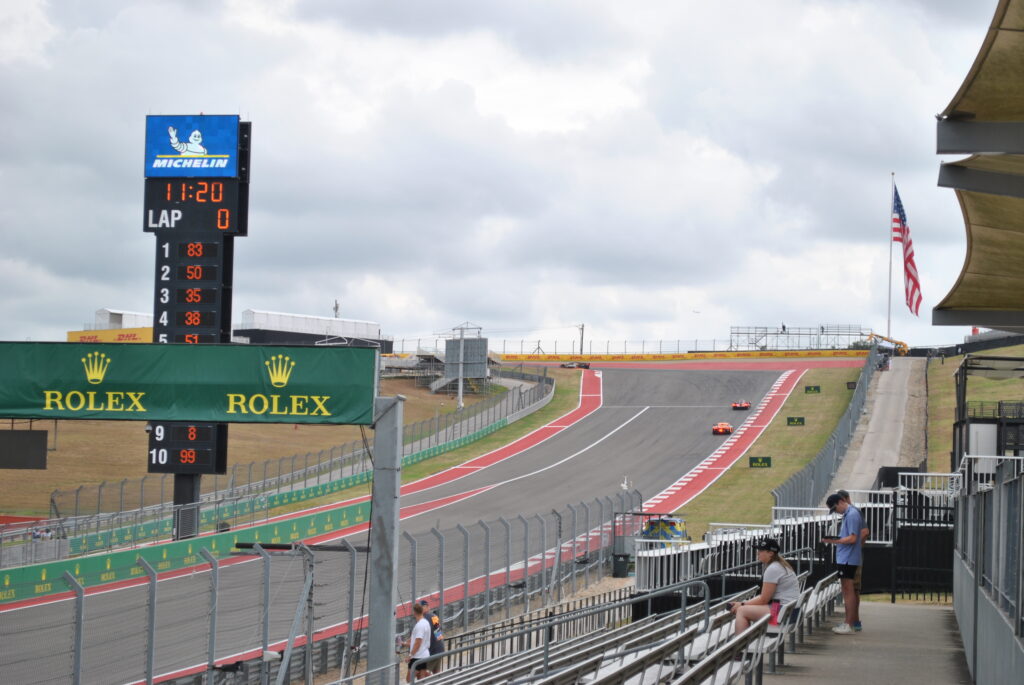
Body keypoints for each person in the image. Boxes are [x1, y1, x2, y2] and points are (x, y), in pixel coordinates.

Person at [729, 538, 800, 634]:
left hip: (783, 614)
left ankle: (740, 646)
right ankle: (744, 643)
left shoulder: (773, 569)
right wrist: (745, 603)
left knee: (741, 611)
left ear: (770, 553)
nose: (758, 553)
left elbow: (764, 599)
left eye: (761, 550)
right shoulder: (780, 565)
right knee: (744, 607)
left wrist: (742, 604)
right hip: (790, 611)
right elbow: (766, 597)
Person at [823, 493, 864, 634]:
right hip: (847, 557)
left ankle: (849, 623)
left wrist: (836, 541)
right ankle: (850, 621)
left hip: (848, 558)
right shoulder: (850, 513)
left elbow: (853, 538)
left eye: (835, 508)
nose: (836, 512)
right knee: (848, 590)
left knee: (848, 590)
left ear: (841, 502)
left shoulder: (852, 514)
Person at [837, 488, 870, 632]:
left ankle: (852, 621)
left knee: (852, 589)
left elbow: (864, 532)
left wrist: (856, 548)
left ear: (843, 500)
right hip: (852, 555)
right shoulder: (850, 513)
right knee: (852, 589)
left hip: (852, 557)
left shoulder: (853, 513)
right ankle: (854, 621)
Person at [403, 602, 431, 682]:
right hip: (425, 655)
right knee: (421, 678)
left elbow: (418, 642)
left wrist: (410, 655)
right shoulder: (426, 622)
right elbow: (414, 640)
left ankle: (434, 676)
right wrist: (404, 643)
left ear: (414, 612)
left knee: (409, 680)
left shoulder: (419, 625)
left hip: (417, 657)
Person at [419, 599, 445, 675]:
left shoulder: (422, 620)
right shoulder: (434, 616)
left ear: (427, 607)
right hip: (439, 648)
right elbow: (439, 633)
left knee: (423, 674)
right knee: (436, 672)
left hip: (432, 651)